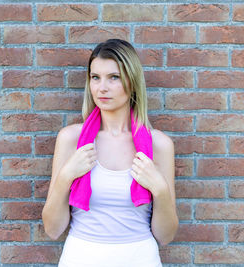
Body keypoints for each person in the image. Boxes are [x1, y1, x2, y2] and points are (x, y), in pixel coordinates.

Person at [41, 39, 178, 267]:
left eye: (113, 77)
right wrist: (66, 176)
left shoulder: (159, 145)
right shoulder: (71, 139)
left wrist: (161, 190)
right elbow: (53, 229)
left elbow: (166, 235)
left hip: (139, 259)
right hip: (81, 257)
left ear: (132, 82)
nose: (101, 87)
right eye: (95, 77)